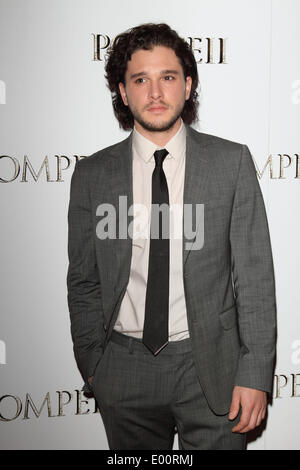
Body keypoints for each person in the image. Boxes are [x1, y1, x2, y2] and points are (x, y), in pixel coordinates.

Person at [67, 23, 277, 450]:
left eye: (168, 77)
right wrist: (95, 365)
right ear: (123, 93)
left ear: (188, 85)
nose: (156, 93)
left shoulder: (230, 163)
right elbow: (84, 280)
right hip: (123, 370)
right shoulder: (92, 175)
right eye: (140, 80)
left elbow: (254, 278)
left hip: (211, 369)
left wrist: (254, 374)